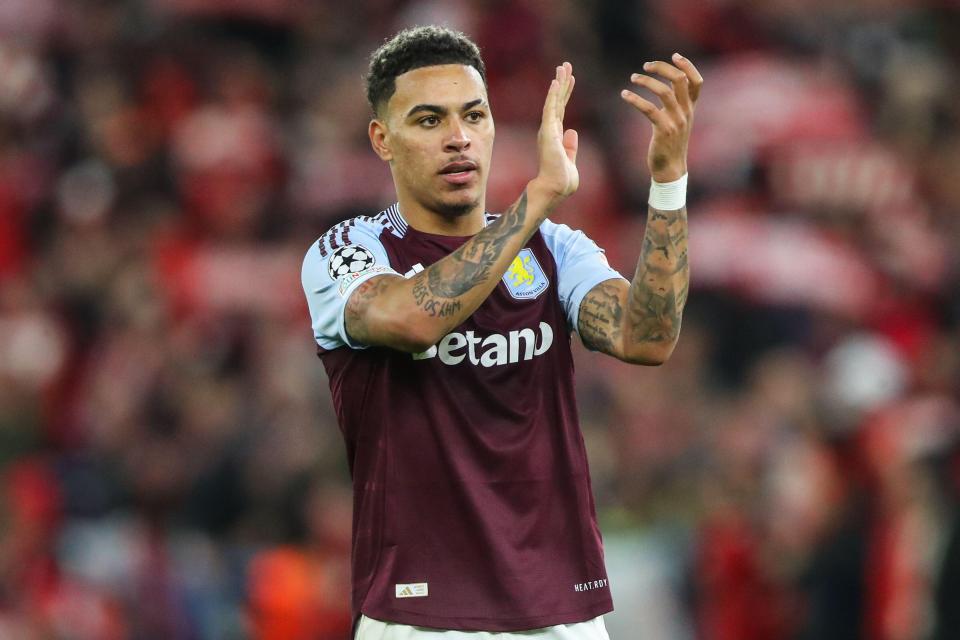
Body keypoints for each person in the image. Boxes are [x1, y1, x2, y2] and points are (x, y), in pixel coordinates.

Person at [301, 25, 701, 639]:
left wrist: (668, 181)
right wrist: (538, 197)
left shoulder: (554, 249)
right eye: (429, 120)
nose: (458, 138)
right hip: (421, 615)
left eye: (474, 115)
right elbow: (412, 319)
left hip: (562, 613)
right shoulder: (350, 251)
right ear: (382, 140)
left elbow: (645, 337)